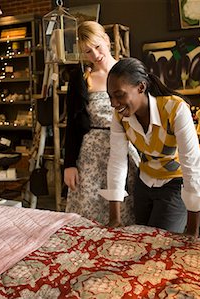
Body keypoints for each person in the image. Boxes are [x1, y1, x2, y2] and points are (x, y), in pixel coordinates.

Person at [101, 57, 200, 236]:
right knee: (141, 241)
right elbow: (117, 160)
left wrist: (193, 232)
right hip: (144, 182)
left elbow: (191, 164)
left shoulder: (175, 109)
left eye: (119, 95)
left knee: (160, 246)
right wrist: (114, 219)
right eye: (110, 96)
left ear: (141, 87)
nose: (113, 103)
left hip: (175, 185)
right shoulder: (120, 116)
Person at [64, 21, 136, 226]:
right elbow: (73, 122)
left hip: (123, 149)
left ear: (107, 40)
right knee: (87, 212)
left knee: (125, 208)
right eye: (87, 51)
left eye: (97, 46)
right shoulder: (81, 77)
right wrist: (69, 164)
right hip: (90, 155)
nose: (95, 55)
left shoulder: (129, 71)